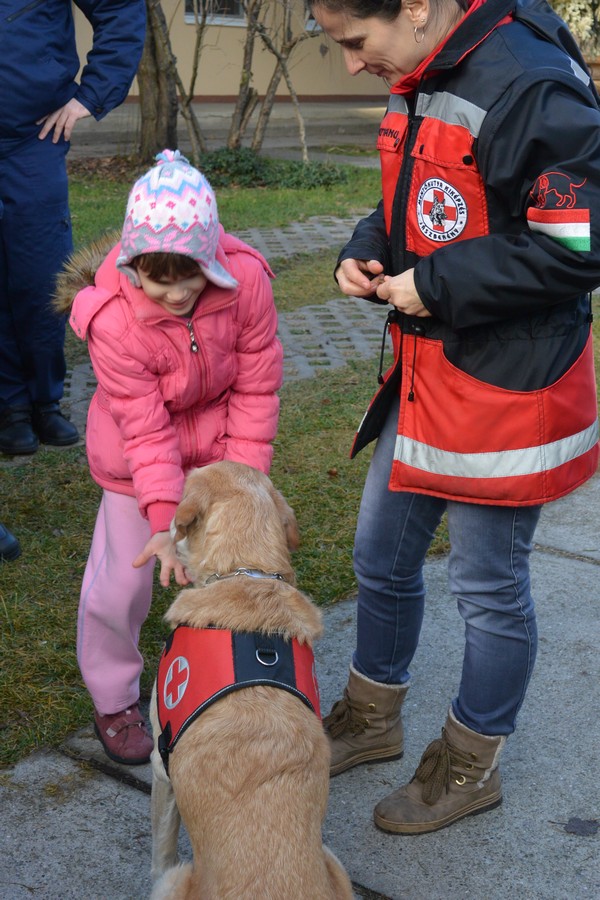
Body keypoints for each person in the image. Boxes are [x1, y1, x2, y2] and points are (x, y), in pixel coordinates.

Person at [308, 0, 600, 834]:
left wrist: (435, 285)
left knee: (488, 589)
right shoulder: (421, 66)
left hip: (506, 386)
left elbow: (578, 244)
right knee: (380, 556)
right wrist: (365, 247)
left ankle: (472, 764)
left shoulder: (530, 83)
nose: (353, 64)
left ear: (414, 7)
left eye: (356, 42)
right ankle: (372, 717)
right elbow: (415, 203)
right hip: (427, 377)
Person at [53, 150, 283, 765]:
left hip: (221, 454)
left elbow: (256, 388)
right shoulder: (112, 321)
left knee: (231, 572)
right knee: (122, 585)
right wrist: (163, 521)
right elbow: (145, 428)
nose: (179, 293)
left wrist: (239, 484)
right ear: (132, 265)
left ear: (211, 259)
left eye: (193, 276)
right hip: (137, 463)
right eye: (161, 280)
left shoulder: (246, 282)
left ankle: (225, 680)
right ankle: (114, 697)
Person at [0, 0, 146, 456]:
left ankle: (45, 401)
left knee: (40, 274)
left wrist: (91, 94)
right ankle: (10, 406)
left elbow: (120, 9)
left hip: (32, 138)